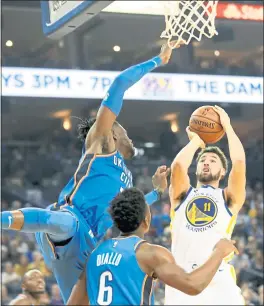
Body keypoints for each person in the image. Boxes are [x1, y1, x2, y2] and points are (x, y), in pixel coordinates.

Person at [1, 42, 177, 303]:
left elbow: (132, 208)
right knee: (60, 222)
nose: (130, 138)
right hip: (70, 220)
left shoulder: (125, 177)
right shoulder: (101, 143)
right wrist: (157, 60)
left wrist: (158, 192)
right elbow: (119, 83)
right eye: (126, 133)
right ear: (115, 132)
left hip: (86, 245)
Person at [67, 188, 239, 306]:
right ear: (146, 221)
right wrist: (219, 252)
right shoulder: (148, 253)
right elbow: (193, 285)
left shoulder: (95, 254)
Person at [165, 105, 246, 305]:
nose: (206, 163)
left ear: (222, 172)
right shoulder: (182, 195)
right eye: (202, 160)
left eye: (213, 160)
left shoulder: (228, 198)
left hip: (218, 280)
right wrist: (196, 143)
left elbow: (239, 163)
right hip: (181, 280)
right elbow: (177, 167)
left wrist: (227, 127)